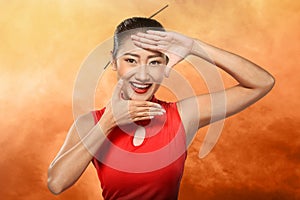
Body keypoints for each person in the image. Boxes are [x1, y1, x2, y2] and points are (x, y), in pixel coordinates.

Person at [47, 17, 275, 199]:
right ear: (114, 62)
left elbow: (261, 83)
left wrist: (196, 46)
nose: (143, 74)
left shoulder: (182, 116)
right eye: (131, 60)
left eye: (154, 62)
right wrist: (108, 122)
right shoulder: (91, 123)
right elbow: (56, 183)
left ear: (166, 65)